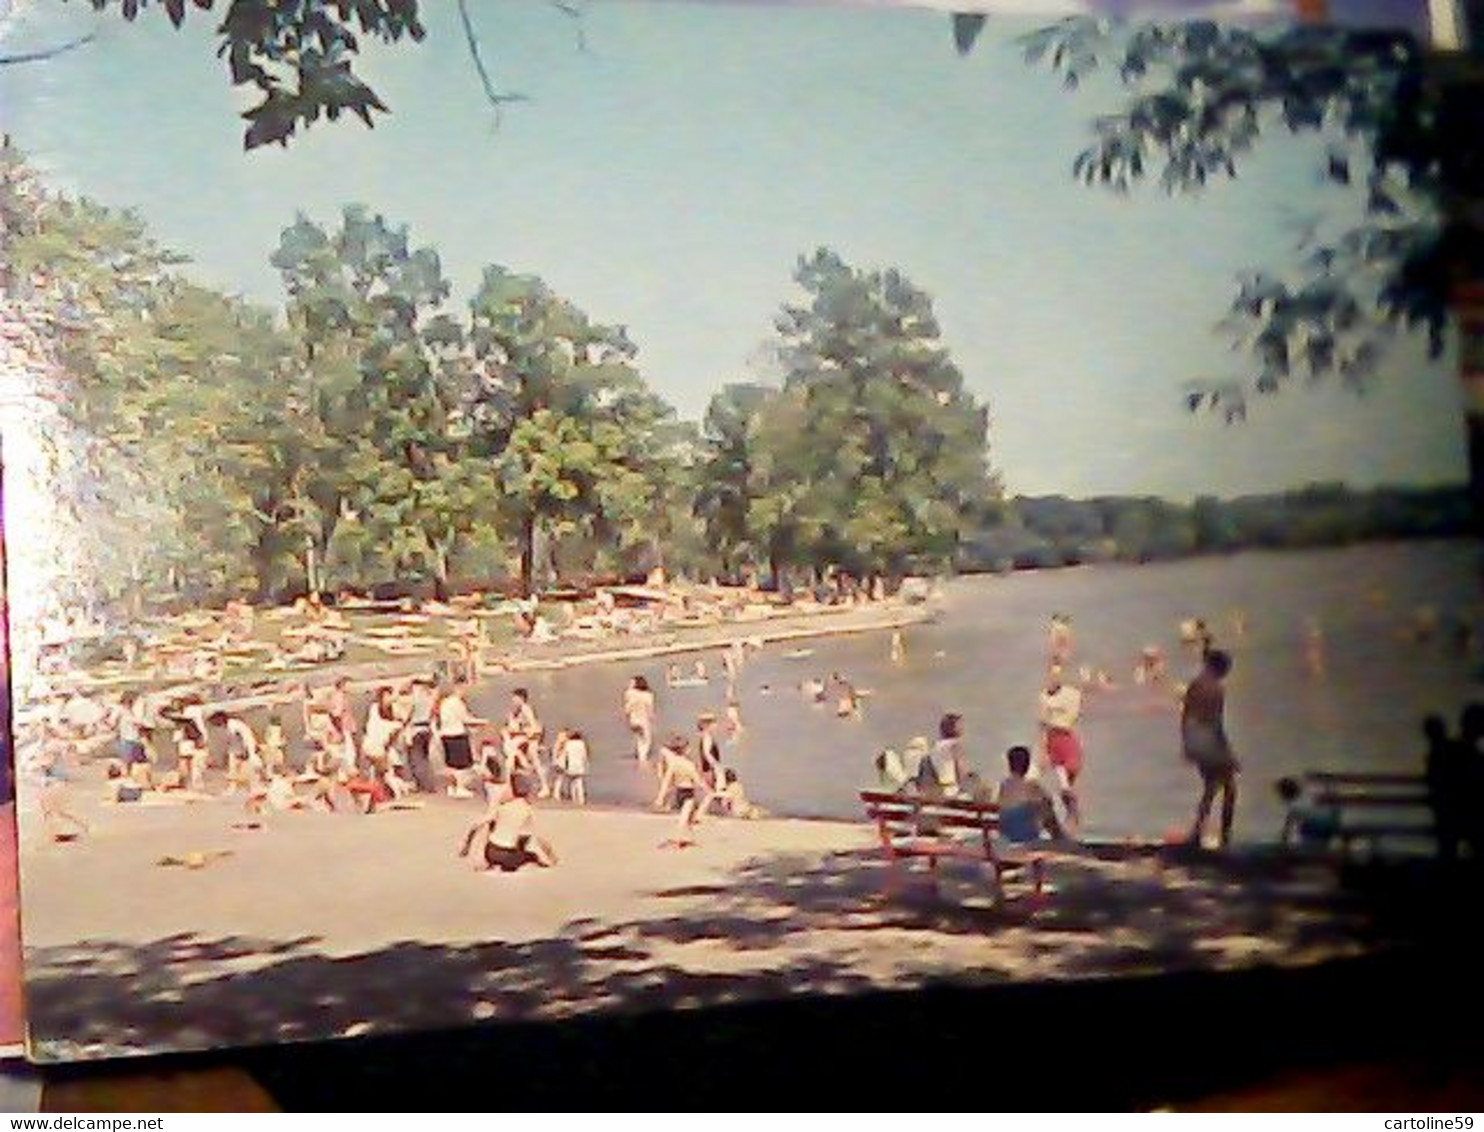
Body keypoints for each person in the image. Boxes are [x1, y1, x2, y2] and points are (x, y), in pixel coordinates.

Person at [1181, 649, 1240, 849]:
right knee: (1230, 789)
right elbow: (1216, 724)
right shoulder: (1216, 689)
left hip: (1193, 738)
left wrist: (1187, 746)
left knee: (1211, 788)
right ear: (1220, 668)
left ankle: (1196, 834)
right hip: (1208, 739)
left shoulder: (1195, 684)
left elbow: (1186, 717)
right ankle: (1225, 837)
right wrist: (1228, 753)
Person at [460, 773, 558, 874]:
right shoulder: (527, 809)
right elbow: (530, 835)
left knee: (489, 824)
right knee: (529, 847)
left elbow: (476, 825)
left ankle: (486, 861)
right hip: (509, 856)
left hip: (491, 852)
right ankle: (542, 858)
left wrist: (466, 845)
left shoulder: (502, 807)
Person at [1038, 667, 1084, 831]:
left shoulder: (1071, 694)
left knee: (1070, 780)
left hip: (1067, 739)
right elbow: (1042, 724)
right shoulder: (1043, 697)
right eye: (1050, 676)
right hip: (1053, 741)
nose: (1052, 679)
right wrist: (1042, 751)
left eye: (1056, 677)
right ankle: (1071, 817)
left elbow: (1073, 716)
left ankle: (1072, 815)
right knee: (1064, 785)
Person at [996, 745, 1066, 843]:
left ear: (1010, 764)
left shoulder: (1004, 785)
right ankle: (1061, 840)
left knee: (1037, 807)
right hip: (1026, 840)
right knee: (1045, 807)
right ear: (1027, 765)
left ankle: (1060, 839)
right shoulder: (1032, 786)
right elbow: (1049, 806)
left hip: (1006, 838)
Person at [654, 736, 711, 848]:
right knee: (684, 818)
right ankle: (678, 839)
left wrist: (660, 797)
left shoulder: (674, 764)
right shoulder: (689, 764)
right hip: (688, 793)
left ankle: (691, 838)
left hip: (678, 792)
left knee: (689, 818)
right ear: (685, 750)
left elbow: (666, 780)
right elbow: (697, 779)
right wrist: (707, 789)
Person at [437, 680, 487, 798]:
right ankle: (460, 788)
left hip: (445, 734)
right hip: (457, 734)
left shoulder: (445, 702)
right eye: (465, 689)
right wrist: (482, 721)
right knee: (461, 764)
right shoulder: (457, 703)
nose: (466, 692)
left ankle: (451, 787)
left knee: (451, 764)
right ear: (459, 688)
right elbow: (465, 719)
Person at [1276, 777, 1340, 850]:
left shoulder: (1294, 805)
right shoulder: (1308, 790)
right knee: (1309, 826)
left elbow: (1289, 825)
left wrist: (1284, 839)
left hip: (1319, 826)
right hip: (1331, 821)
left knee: (1306, 828)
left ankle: (1313, 849)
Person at [208, 711, 260, 796]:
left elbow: (245, 737)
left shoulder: (234, 724)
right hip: (236, 749)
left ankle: (253, 788)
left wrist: (247, 751)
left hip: (245, 747)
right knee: (233, 770)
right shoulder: (228, 725)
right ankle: (233, 788)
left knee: (249, 769)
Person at [404, 676, 439, 793]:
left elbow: (408, 714)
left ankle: (423, 784)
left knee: (416, 758)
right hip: (427, 729)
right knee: (425, 757)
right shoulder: (430, 698)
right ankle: (429, 783)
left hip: (416, 729)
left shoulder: (416, 699)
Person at [623, 676, 657, 761]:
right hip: (643, 720)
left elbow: (626, 710)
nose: (629, 684)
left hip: (633, 721)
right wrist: (652, 719)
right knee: (646, 742)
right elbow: (650, 710)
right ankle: (643, 765)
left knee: (639, 740)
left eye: (631, 683)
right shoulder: (648, 695)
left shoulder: (629, 693)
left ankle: (638, 760)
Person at [562, 729, 590, 806]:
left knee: (572, 782)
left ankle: (574, 799)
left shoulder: (568, 743)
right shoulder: (581, 743)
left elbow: (565, 755)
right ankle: (581, 800)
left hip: (570, 765)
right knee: (579, 782)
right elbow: (584, 755)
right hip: (579, 765)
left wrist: (564, 765)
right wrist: (586, 764)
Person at [697, 713, 724, 786]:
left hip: (707, 770)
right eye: (714, 722)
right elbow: (707, 753)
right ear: (707, 725)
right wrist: (716, 766)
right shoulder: (707, 737)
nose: (716, 725)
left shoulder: (704, 736)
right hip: (710, 770)